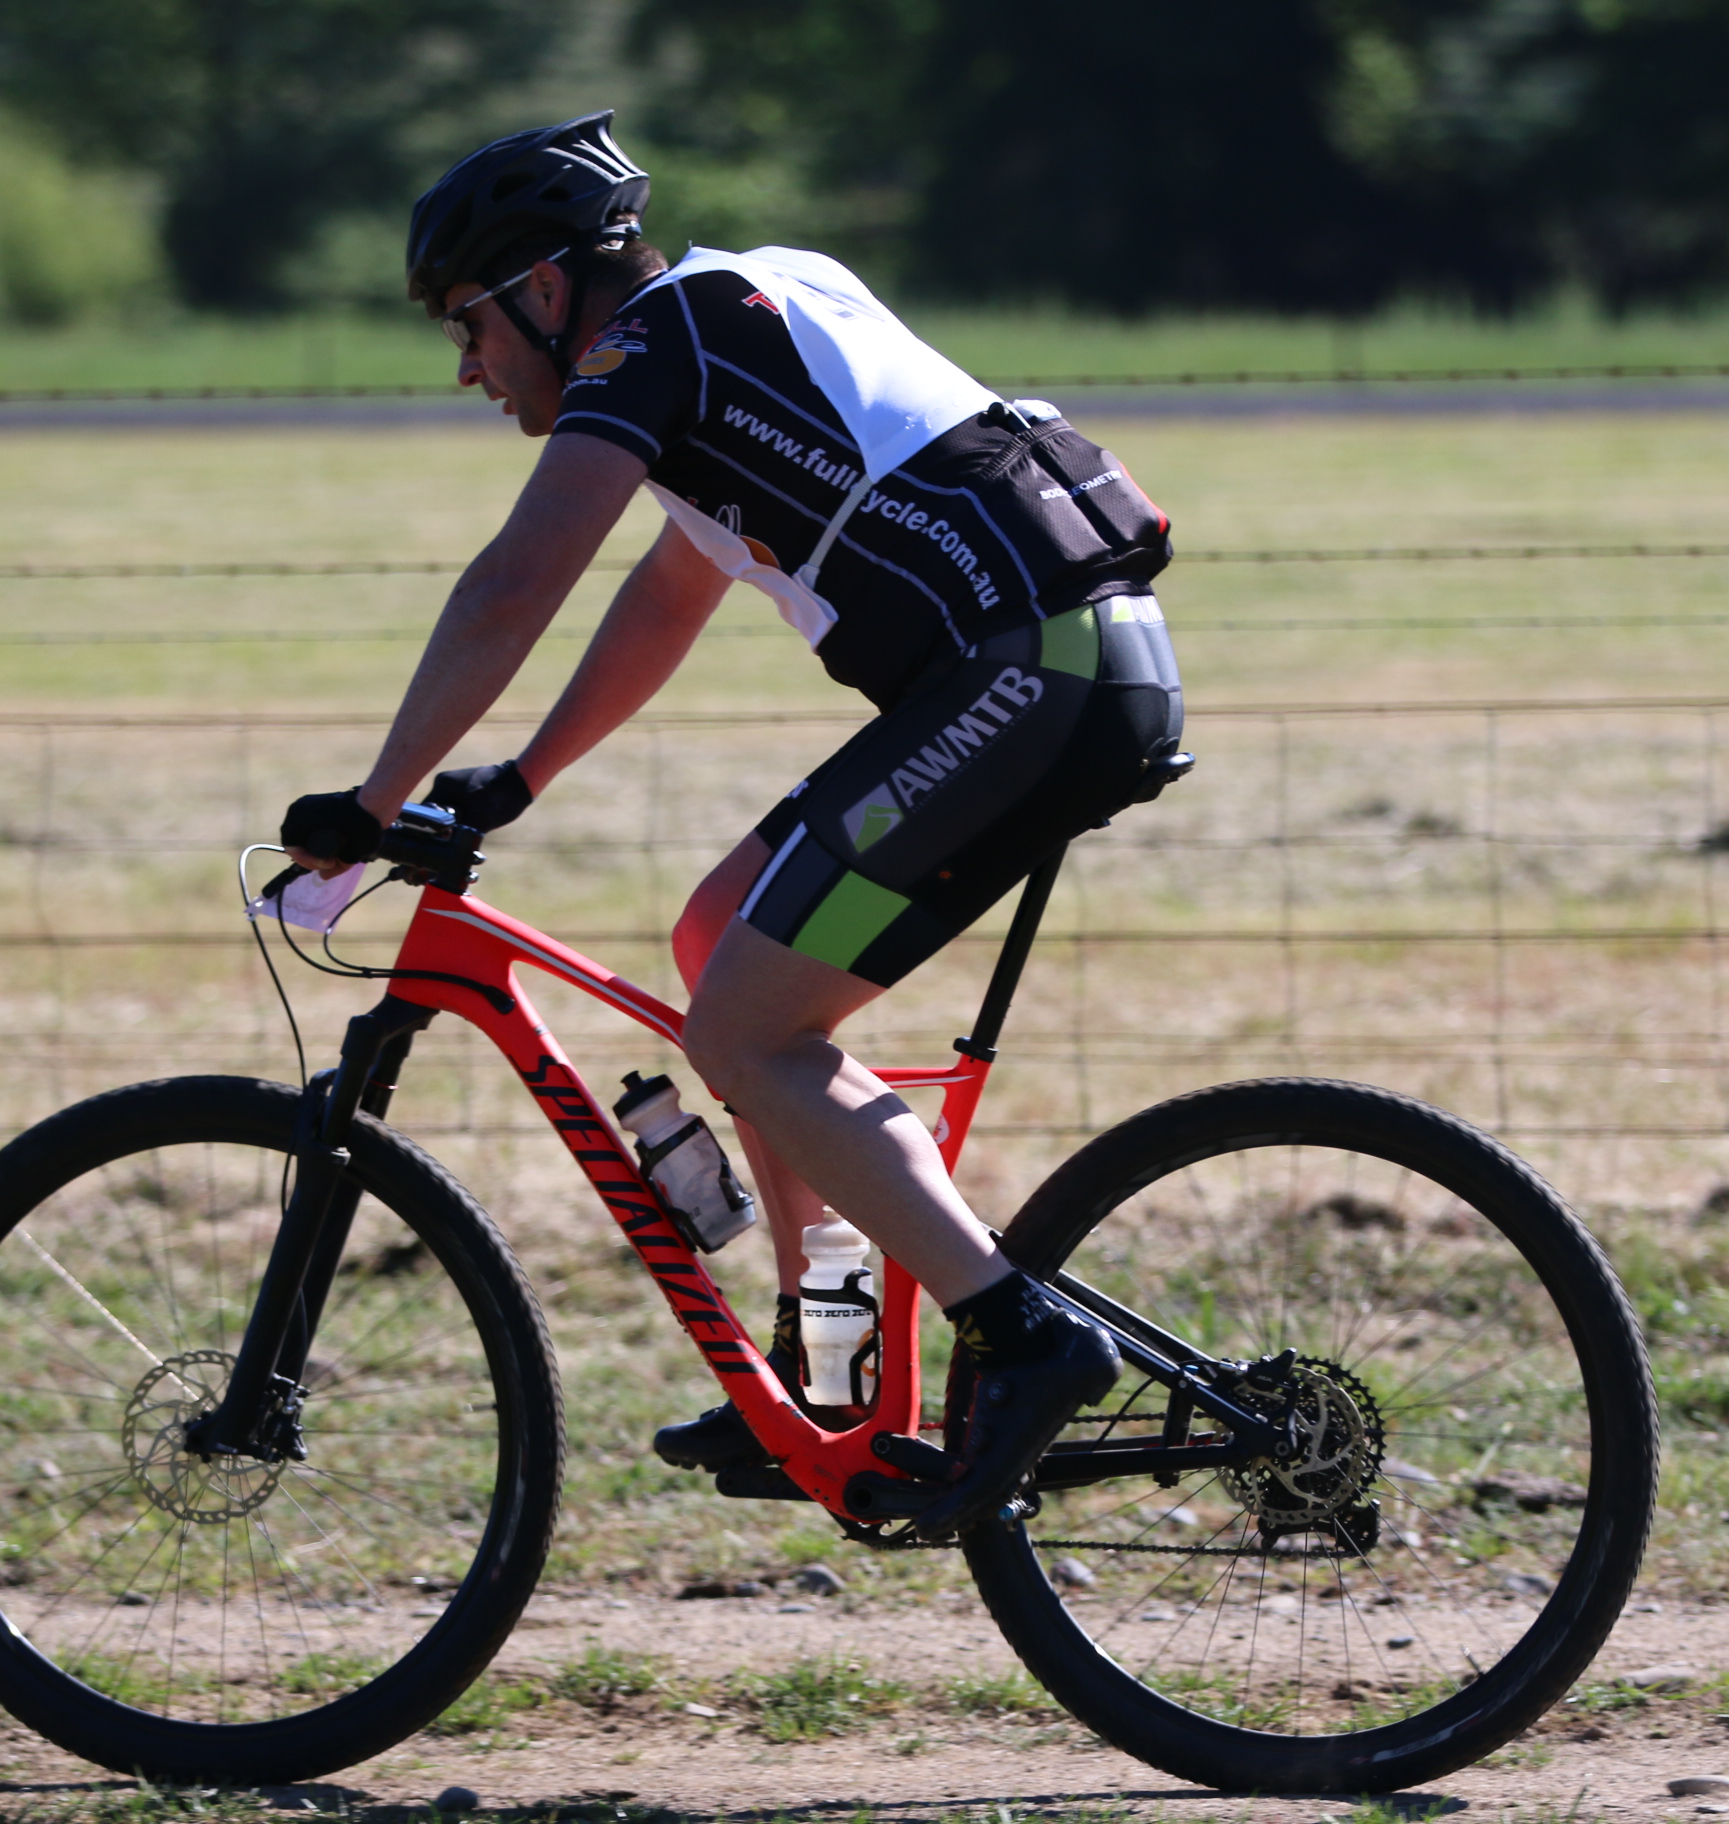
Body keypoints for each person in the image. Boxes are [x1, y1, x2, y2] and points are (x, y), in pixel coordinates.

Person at [279, 111, 1187, 1537]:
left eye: (469, 324)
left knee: (750, 1035)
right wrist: (521, 776)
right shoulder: (748, 306)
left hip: (1032, 673)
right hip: (1052, 662)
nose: (466, 366)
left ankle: (1026, 1336)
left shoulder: (655, 343)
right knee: (720, 940)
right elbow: (668, 593)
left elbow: (519, 580)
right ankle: (833, 1366)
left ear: (546, 287)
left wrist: (373, 800)